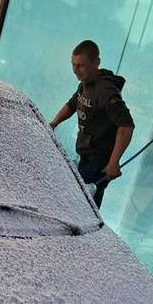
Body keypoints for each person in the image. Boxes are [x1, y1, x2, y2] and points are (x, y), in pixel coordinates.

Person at [50, 40, 134, 208]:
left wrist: (113, 162)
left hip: (99, 161)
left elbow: (126, 125)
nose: (75, 71)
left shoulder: (105, 91)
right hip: (86, 156)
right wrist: (53, 123)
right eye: (73, 65)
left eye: (81, 65)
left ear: (96, 63)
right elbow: (72, 104)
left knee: (81, 207)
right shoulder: (85, 84)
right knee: (79, 204)